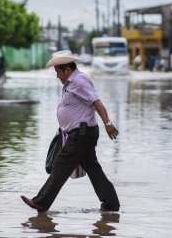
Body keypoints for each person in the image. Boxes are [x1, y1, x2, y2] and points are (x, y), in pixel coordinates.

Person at [21, 50, 120, 212]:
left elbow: (97, 102)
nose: (57, 76)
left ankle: (41, 202)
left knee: (61, 165)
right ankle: (111, 203)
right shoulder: (71, 83)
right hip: (82, 133)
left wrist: (108, 123)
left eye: (58, 72)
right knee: (94, 169)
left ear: (67, 69)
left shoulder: (79, 81)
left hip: (82, 134)